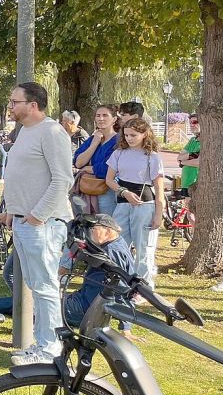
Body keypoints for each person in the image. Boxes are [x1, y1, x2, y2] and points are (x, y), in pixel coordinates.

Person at [0, 214, 135, 329]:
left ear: (108, 231)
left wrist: (125, 326)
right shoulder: (115, 245)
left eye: (93, 228)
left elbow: (122, 288)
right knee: (31, 302)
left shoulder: (112, 252)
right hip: (83, 303)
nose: (89, 231)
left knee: (35, 303)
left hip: (84, 309)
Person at [0, 82, 74, 366]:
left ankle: (50, 348)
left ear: (33, 105)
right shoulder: (25, 132)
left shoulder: (52, 132)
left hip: (42, 224)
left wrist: (37, 216)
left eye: (14, 101)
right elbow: (26, 176)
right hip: (23, 221)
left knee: (44, 286)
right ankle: (42, 345)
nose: (10, 106)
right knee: (35, 284)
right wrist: (12, 211)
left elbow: (62, 179)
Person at [105, 118, 165, 290]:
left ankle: (143, 287)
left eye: (134, 135)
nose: (129, 138)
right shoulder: (118, 153)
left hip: (144, 205)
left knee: (143, 247)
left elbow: (158, 188)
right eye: (127, 135)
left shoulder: (152, 157)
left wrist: (158, 213)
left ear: (144, 134)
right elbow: (109, 179)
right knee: (118, 242)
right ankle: (121, 280)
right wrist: (123, 192)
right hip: (123, 203)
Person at [74, 105, 121, 214]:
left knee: (105, 225)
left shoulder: (118, 141)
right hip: (87, 189)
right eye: (98, 115)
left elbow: (107, 169)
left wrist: (89, 168)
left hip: (106, 190)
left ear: (114, 119)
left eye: (105, 115)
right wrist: (94, 144)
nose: (101, 119)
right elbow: (78, 163)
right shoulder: (92, 139)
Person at [178, 113, 200, 192]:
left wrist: (182, 162)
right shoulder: (192, 140)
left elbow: (199, 162)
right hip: (185, 184)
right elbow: (179, 157)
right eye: (190, 123)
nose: (192, 125)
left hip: (196, 184)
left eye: (195, 122)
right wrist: (194, 155)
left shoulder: (206, 141)